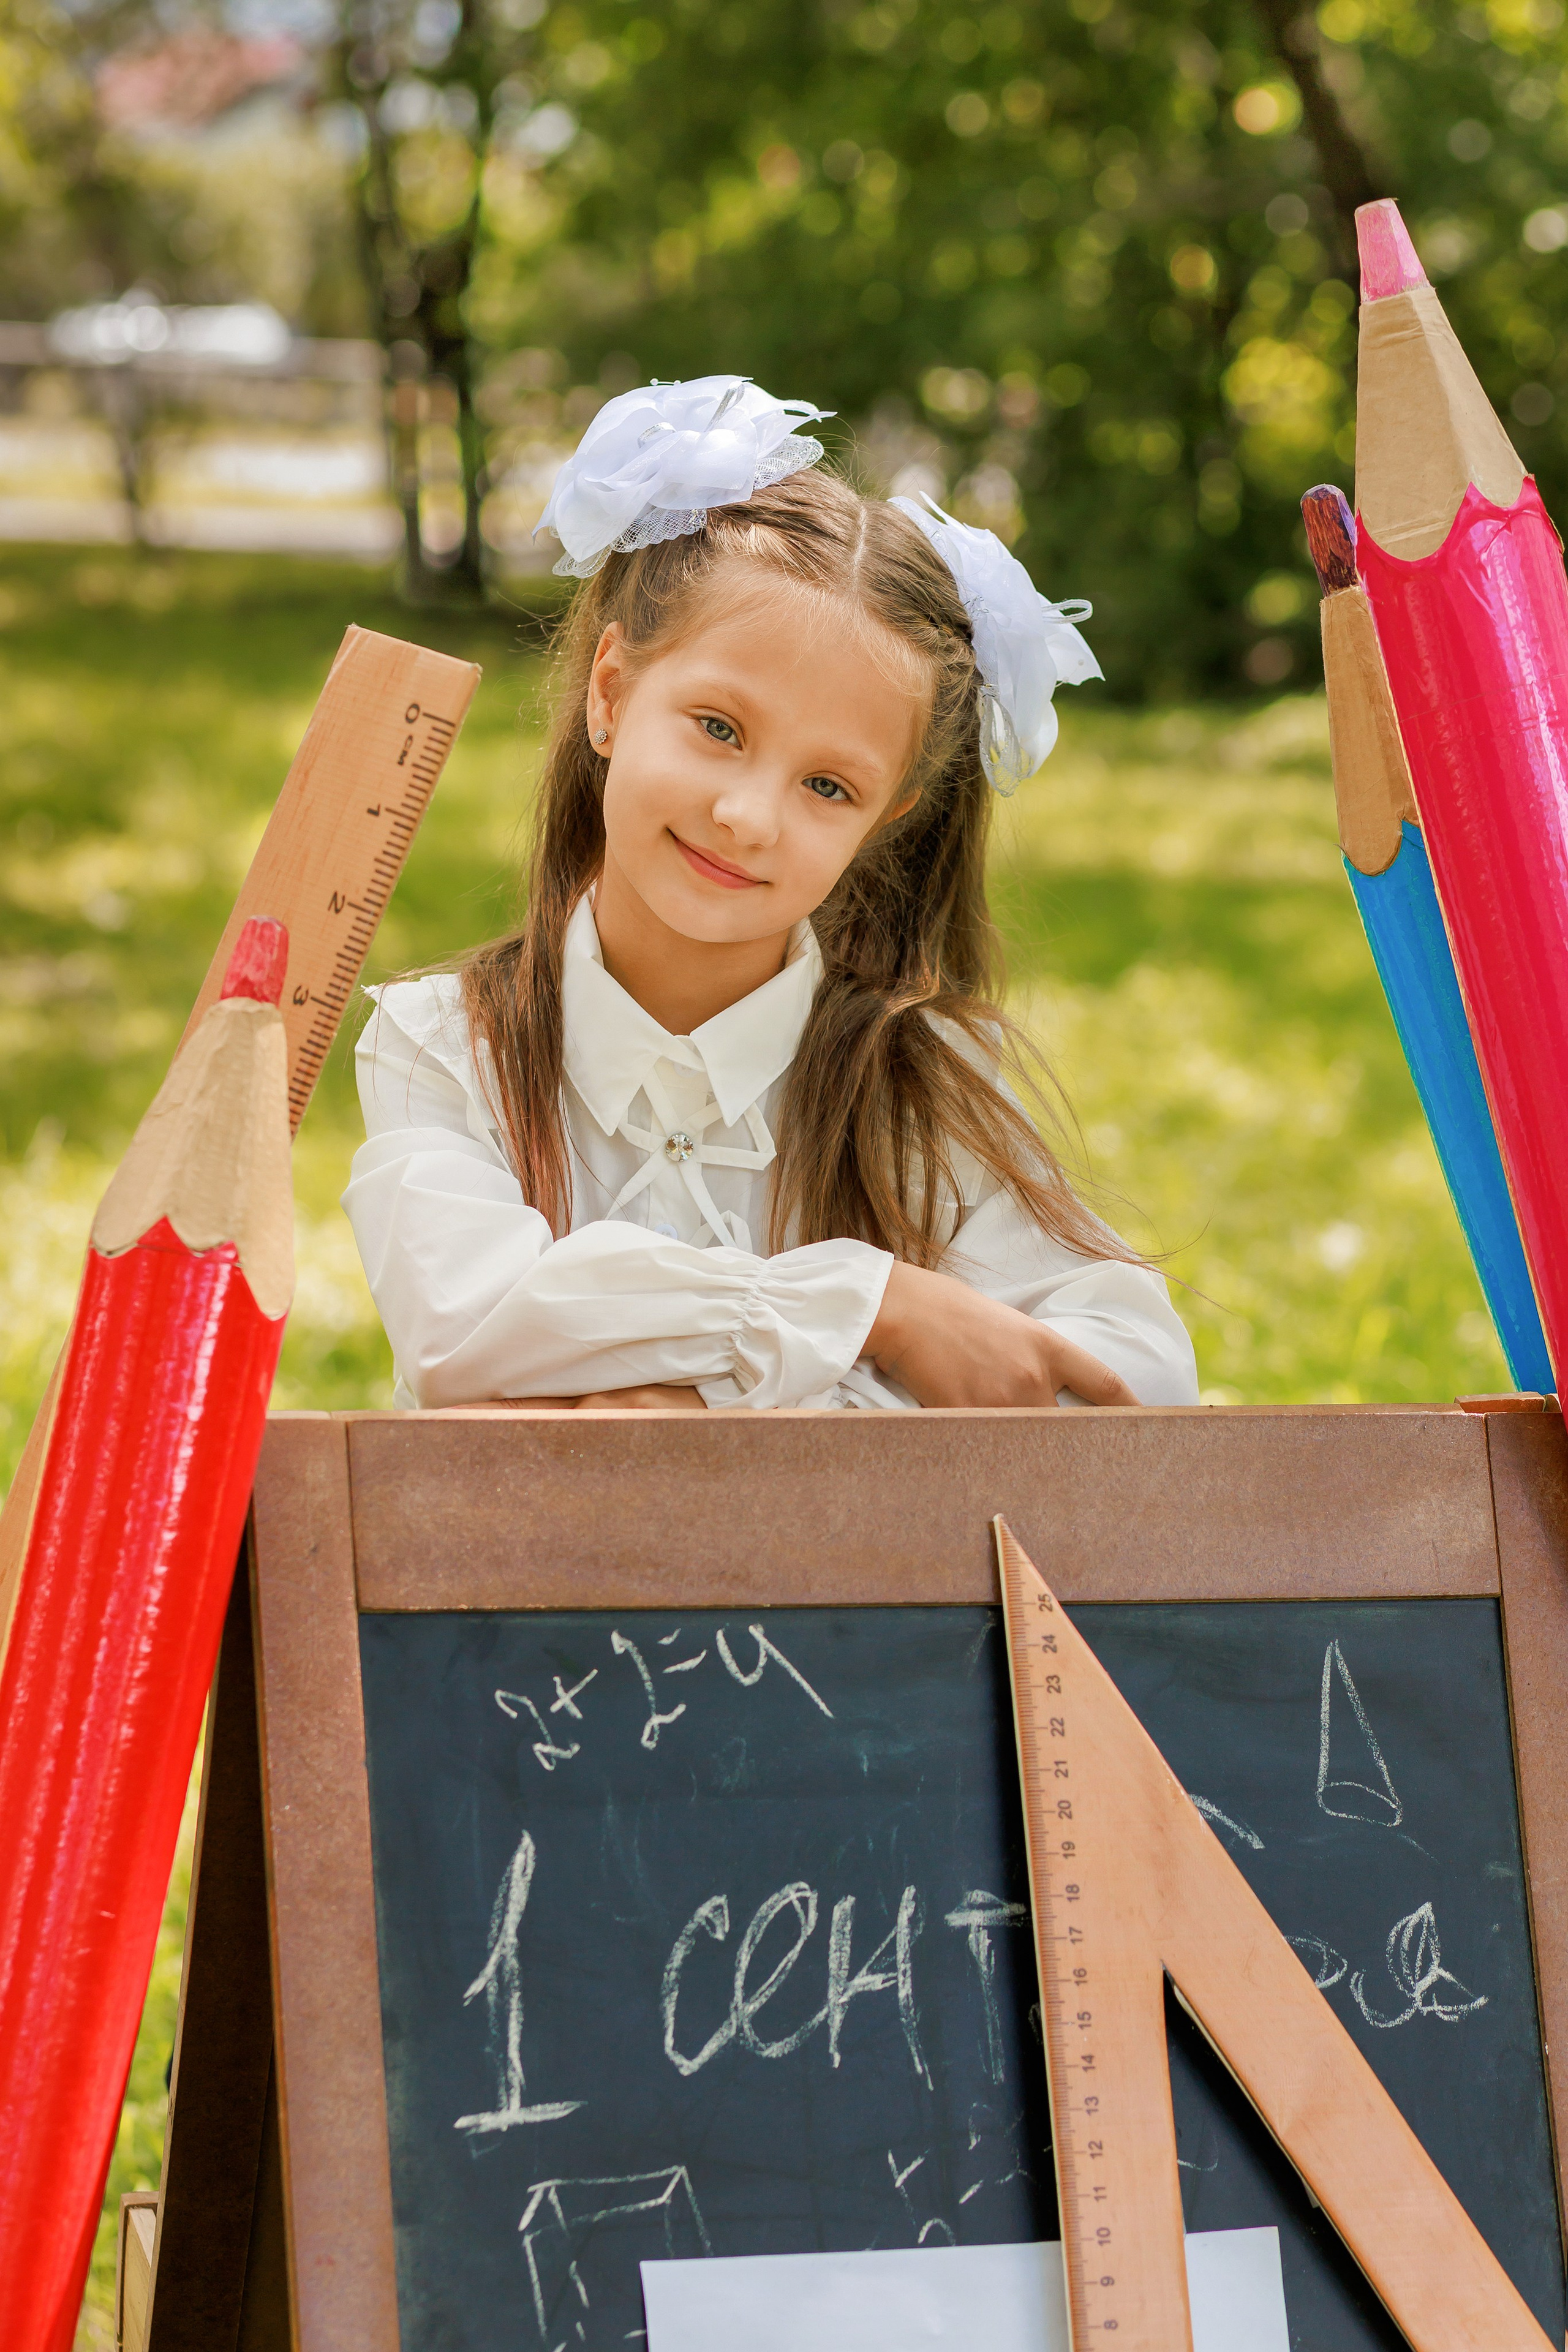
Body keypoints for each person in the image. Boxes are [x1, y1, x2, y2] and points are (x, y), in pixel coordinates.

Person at [343, 375, 1198, 1414]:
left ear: (888, 817)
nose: (750, 816)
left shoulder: (927, 1084)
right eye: (718, 728)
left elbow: (1136, 1375)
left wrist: (724, 1420)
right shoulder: (447, 1046)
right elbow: (467, 1323)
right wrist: (873, 1309)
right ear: (609, 694)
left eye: (828, 786)